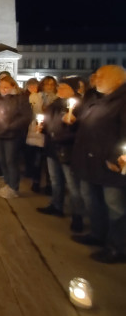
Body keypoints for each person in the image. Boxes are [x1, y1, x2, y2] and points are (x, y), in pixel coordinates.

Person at [70, 65, 126, 263]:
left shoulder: (122, 100)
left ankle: (117, 247)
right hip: (90, 160)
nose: (96, 78)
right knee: (94, 200)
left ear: (118, 80)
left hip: (111, 165)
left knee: (115, 206)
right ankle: (97, 234)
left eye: (102, 76)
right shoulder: (98, 99)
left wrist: (117, 157)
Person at [36, 77, 84, 232]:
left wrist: (74, 123)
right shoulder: (55, 104)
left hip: (67, 149)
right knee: (56, 180)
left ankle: (78, 216)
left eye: (65, 87)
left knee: (72, 184)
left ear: (74, 89)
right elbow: (49, 121)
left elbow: (81, 131)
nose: (60, 89)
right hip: (52, 147)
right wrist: (42, 127)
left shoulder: (79, 107)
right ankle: (56, 205)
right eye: (60, 87)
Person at [0, 75, 32, 198]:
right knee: (1, 159)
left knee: (11, 160)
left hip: (12, 134)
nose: (3, 89)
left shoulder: (21, 99)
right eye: (1, 86)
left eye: (6, 87)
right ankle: (7, 183)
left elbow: (26, 117)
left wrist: (10, 126)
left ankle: (13, 187)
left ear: (13, 86)